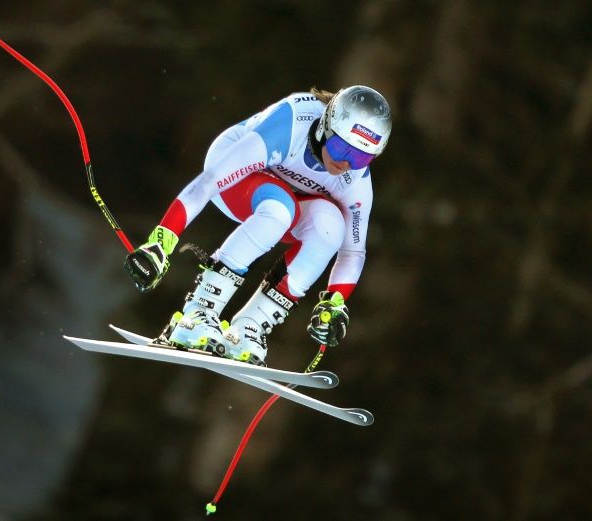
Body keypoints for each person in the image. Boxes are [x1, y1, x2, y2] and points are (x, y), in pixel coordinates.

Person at [123, 85, 392, 366]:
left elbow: (353, 251)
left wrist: (335, 303)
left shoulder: (356, 181)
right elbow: (208, 182)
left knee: (331, 227)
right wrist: (161, 241)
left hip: (286, 200)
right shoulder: (291, 125)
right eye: (340, 147)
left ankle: (249, 327)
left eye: (362, 157)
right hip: (235, 179)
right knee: (279, 209)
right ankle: (197, 313)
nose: (345, 163)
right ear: (326, 124)